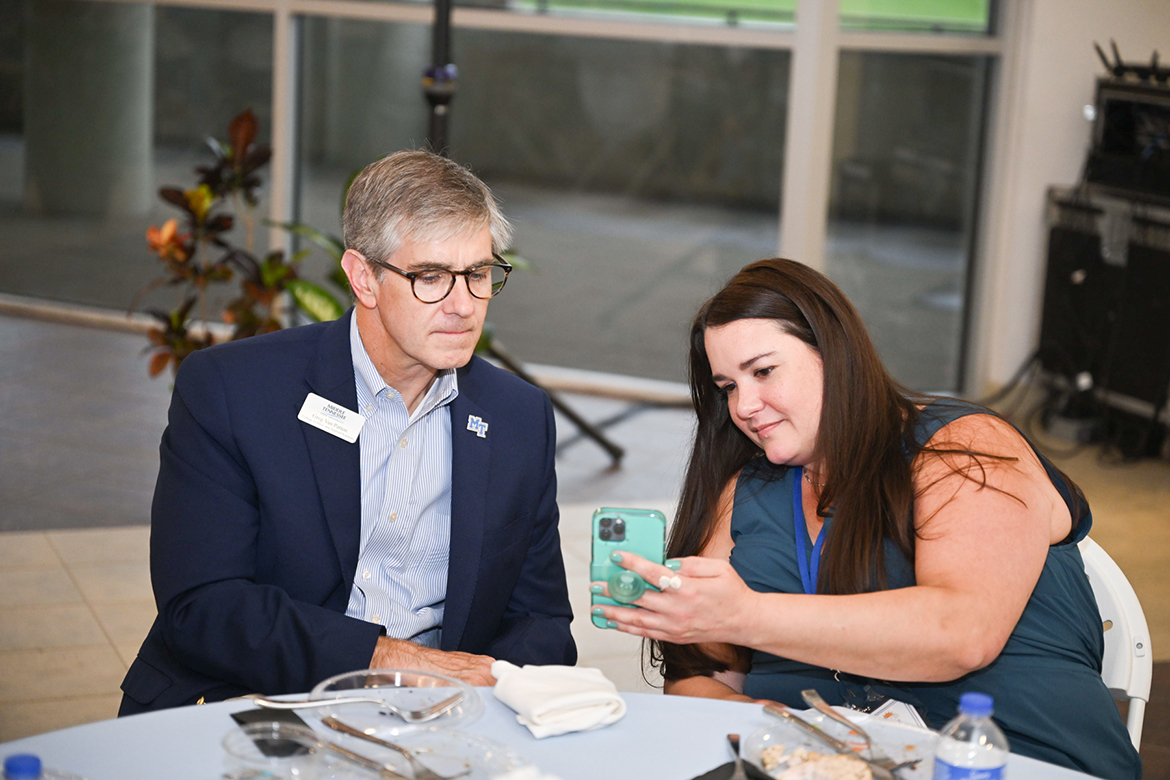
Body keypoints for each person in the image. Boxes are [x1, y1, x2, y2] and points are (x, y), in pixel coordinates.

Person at [592, 259, 1140, 779]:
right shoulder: (746, 490)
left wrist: (744, 616)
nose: (744, 406)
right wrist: (779, 728)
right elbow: (699, 682)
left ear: (837, 353)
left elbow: (963, 633)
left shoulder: (963, 446)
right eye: (728, 387)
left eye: (763, 371)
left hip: (1012, 758)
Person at [120, 150, 576, 714]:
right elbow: (205, 607)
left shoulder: (516, 417)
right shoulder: (233, 390)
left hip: (438, 720)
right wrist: (393, 662)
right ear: (363, 277)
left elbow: (542, 621)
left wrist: (481, 692)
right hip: (253, 702)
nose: (463, 305)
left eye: (478, 274)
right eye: (431, 277)